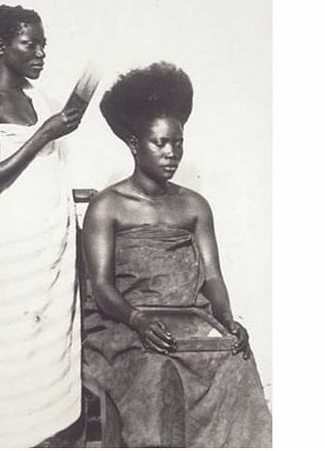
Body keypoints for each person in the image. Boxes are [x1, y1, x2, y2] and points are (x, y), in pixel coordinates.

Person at [82, 62, 272, 447]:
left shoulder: (194, 206)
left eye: (179, 143)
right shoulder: (107, 206)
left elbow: (213, 277)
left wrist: (226, 321)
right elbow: (100, 286)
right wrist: (138, 320)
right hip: (123, 326)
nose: (172, 153)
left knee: (237, 367)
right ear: (135, 144)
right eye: (161, 143)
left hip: (189, 320)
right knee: (156, 373)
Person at [0, 5, 84, 447]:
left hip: (47, 248)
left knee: (47, 346)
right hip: (8, 250)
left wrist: (53, 127)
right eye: (29, 44)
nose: (40, 53)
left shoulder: (40, 99)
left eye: (43, 44)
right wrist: (44, 134)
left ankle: (49, 437)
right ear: (1, 48)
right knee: (11, 348)